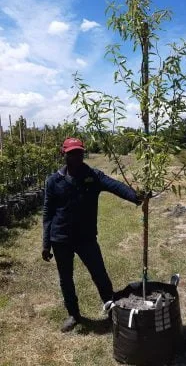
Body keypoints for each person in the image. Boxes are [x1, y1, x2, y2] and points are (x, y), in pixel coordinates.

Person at [42, 137, 143, 332]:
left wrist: (135, 197)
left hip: (86, 237)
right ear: (64, 154)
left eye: (79, 152)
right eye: (72, 153)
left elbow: (115, 186)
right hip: (60, 238)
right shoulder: (53, 181)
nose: (76, 156)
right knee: (66, 278)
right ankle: (73, 314)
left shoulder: (93, 176)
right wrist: (46, 243)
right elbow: (48, 212)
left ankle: (111, 307)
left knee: (99, 273)